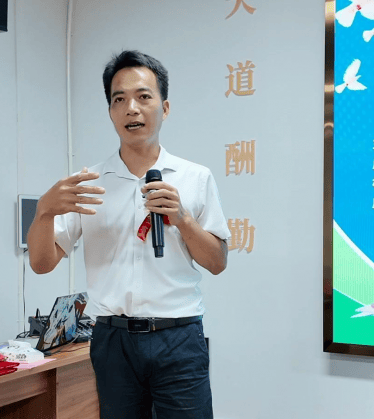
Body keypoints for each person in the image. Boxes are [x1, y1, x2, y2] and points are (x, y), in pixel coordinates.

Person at [27, 50, 230, 419]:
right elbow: (42, 264)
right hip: (112, 341)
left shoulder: (196, 177)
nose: (131, 109)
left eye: (143, 96)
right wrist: (43, 212)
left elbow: (217, 262)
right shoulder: (89, 184)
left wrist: (182, 219)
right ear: (110, 112)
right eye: (119, 99)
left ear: (164, 108)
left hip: (179, 338)